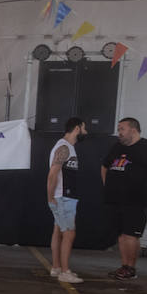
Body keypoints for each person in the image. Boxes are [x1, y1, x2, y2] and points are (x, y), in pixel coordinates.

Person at [100, 117, 147, 280]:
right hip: (115, 198)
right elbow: (105, 166)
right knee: (121, 234)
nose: (119, 133)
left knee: (131, 234)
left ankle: (131, 268)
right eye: (119, 129)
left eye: (122, 129)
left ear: (133, 130)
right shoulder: (117, 147)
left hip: (137, 199)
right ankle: (124, 266)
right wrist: (108, 184)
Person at [47, 117, 87, 284]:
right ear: (77, 128)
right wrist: (50, 197)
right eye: (84, 128)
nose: (86, 132)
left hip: (64, 197)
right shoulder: (63, 147)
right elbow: (53, 174)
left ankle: (57, 268)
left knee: (58, 230)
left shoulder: (68, 147)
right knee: (69, 233)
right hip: (63, 197)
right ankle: (65, 272)